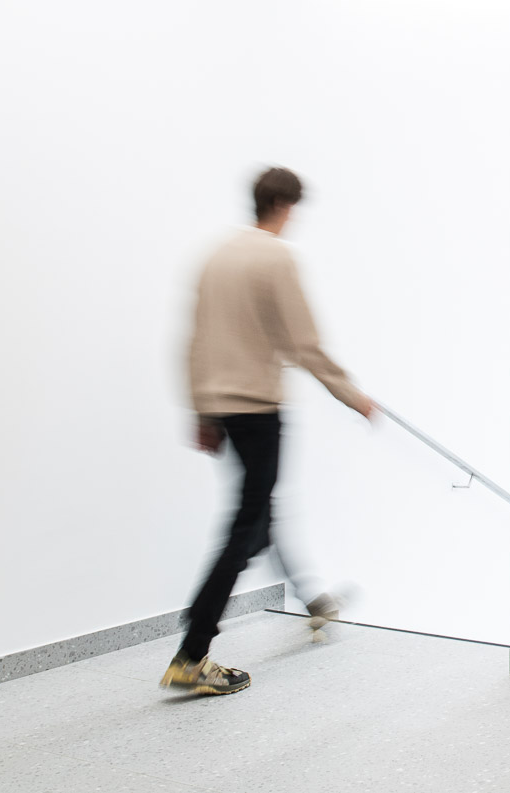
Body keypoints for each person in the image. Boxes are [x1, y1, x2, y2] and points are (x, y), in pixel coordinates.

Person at [161, 167, 376, 696]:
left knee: (261, 510)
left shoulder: (215, 256)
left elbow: (193, 341)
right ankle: (193, 652)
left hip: (224, 408)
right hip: (258, 408)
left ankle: (314, 601)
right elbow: (303, 343)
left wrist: (202, 411)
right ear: (283, 205)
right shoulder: (275, 257)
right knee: (248, 526)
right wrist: (352, 395)